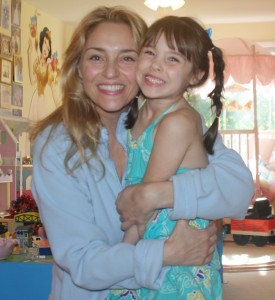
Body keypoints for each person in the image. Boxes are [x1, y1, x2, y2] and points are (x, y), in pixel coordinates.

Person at [30, 6, 254, 300]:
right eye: (96, 57)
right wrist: (167, 253)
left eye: (127, 58)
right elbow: (83, 263)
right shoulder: (56, 146)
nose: (111, 71)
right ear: (78, 68)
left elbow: (238, 188)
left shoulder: (163, 120)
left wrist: (159, 195)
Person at [109, 15, 225, 300]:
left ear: (195, 76)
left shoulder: (178, 122)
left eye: (172, 59)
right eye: (149, 52)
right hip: (154, 247)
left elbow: (143, 204)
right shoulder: (139, 113)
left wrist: (119, 263)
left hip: (178, 259)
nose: (156, 64)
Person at [28, 27, 59, 122]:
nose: (46, 49)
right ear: (41, 44)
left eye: (48, 48)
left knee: (42, 127)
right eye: (45, 44)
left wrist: (60, 107)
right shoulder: (37, 62)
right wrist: (29, 55)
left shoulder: (49, 66)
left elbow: (53, 89)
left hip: (41, 99)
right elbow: (33, 81)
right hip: (35, 100)